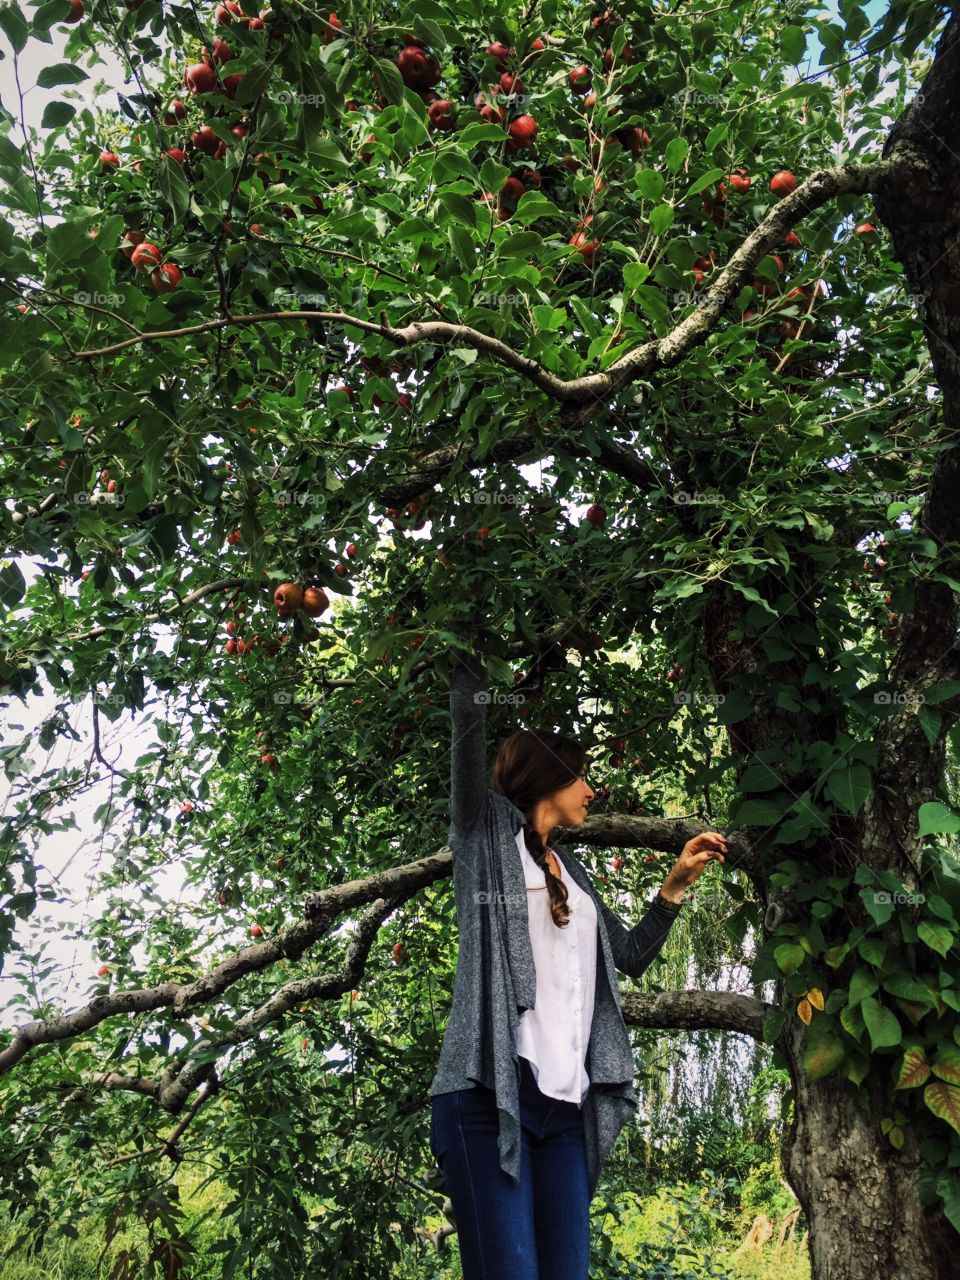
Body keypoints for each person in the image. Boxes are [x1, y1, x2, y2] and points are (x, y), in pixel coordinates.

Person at [428, 647, 727, 1280]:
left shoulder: (574, 872)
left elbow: (627, 959)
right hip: (487, 1095)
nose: (592, 791)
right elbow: (468, 733)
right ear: (546, 780)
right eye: (581, 778)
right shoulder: (484, 838)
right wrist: (466, 639)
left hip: (564, 1111)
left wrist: (674, 885)